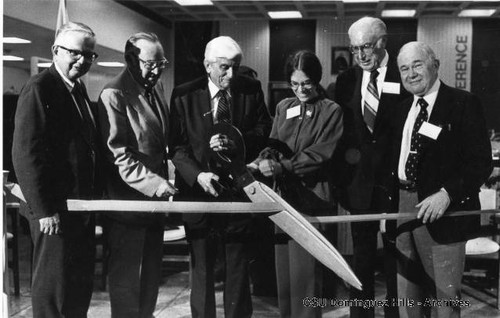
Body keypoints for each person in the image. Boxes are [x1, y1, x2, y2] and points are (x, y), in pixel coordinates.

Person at [169, 35, 272, 318]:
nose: (232, 74)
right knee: (201, 271)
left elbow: (264, 130)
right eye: (225, 67)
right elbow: (176, 147)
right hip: (199, 193)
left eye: (236, 67)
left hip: (237, 193)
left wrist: (235, 141)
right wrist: (199, 175)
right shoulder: (183, 94)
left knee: (238, 270)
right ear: (207, 66)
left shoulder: (251, 89)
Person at [393, 41, 492, 318]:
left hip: (444, 213)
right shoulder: (402, 109)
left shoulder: (463, 103)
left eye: (417, 65)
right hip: (403, 209)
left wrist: (446, 193)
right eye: (404, 69)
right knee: (407, 300)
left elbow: (480, 162)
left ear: (435, 64)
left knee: (445, 302)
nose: (411, 73)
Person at [12, 21, 101, 318]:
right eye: (75, 53)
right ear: (55, 51)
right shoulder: (40, 87)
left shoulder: (77, 89)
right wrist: (44, 210)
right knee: (54, 294)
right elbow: (26, 153)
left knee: (77, 291)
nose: (82, 60)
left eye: (89, 55)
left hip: (78, 210)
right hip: (53, 214)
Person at [251, 50, 343, 318]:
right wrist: (261, 160)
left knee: (306, 276)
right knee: (286, 275)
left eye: (306, 83)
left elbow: (321, 154)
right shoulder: (284, 107)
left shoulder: (331, 111)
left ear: (317, 79)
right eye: (294, 84)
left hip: (312, 199)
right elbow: (273, 143)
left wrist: (281, 167)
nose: (300, 89)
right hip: (283, 199)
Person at [334, 16, 410, 318]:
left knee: (396, 257)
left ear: (383, 42)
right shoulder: (347, 80)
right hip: (360, 186)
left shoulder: (403, 74)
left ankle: (395, 313)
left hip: (395, 183)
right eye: (354, 49)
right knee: (362, 258)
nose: (360, 55)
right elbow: (343, 138)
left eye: (365, 47)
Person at [98, 32, 178, 318]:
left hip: (153, 207)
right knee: (126, 283)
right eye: (150, 64)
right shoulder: (114, 93)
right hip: (128, 207)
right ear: (130, 59)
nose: (156, 71)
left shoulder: (154, 89)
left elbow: (160, 146)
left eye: (161, 63)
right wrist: (157, 185)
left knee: (150, 278)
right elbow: (118, 155)